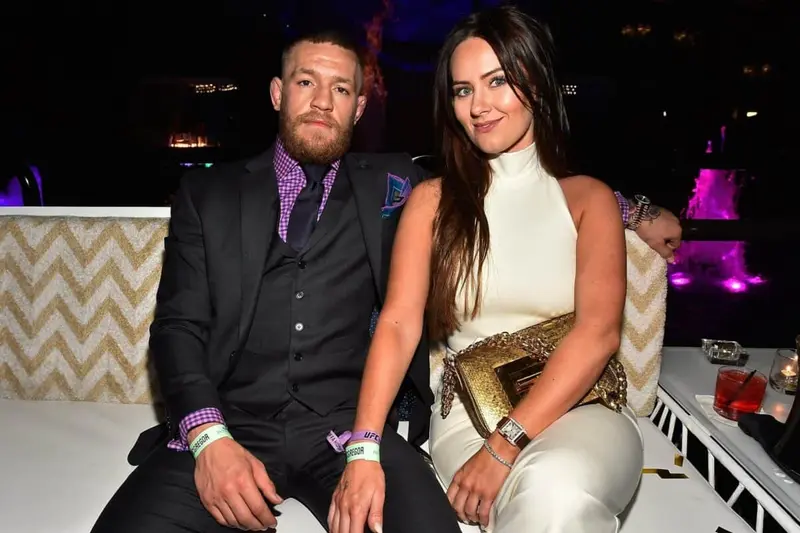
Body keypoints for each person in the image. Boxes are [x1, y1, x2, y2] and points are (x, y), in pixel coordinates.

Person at [92, 26, 678, 533]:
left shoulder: (395, 186)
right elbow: (177, 328)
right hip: (229, 423)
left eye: (341, 89)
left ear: (359, 107)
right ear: (276, 93)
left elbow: (519, 196)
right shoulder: (209, 194)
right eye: (305, 82)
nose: (322, 101)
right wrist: (208, 439)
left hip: (343, 429)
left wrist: (634, 210)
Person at [330, 7, 646, 533]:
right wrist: (363, 449)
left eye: (497, 81)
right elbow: (398, 324)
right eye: (462, 90)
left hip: (581, 409)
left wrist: (505, 445)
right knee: (542, 504)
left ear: (536, 83)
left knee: (554, 488)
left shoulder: (589, 200)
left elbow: (598, 333)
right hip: (467, 421)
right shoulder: (432, 202)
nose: (478, 106)